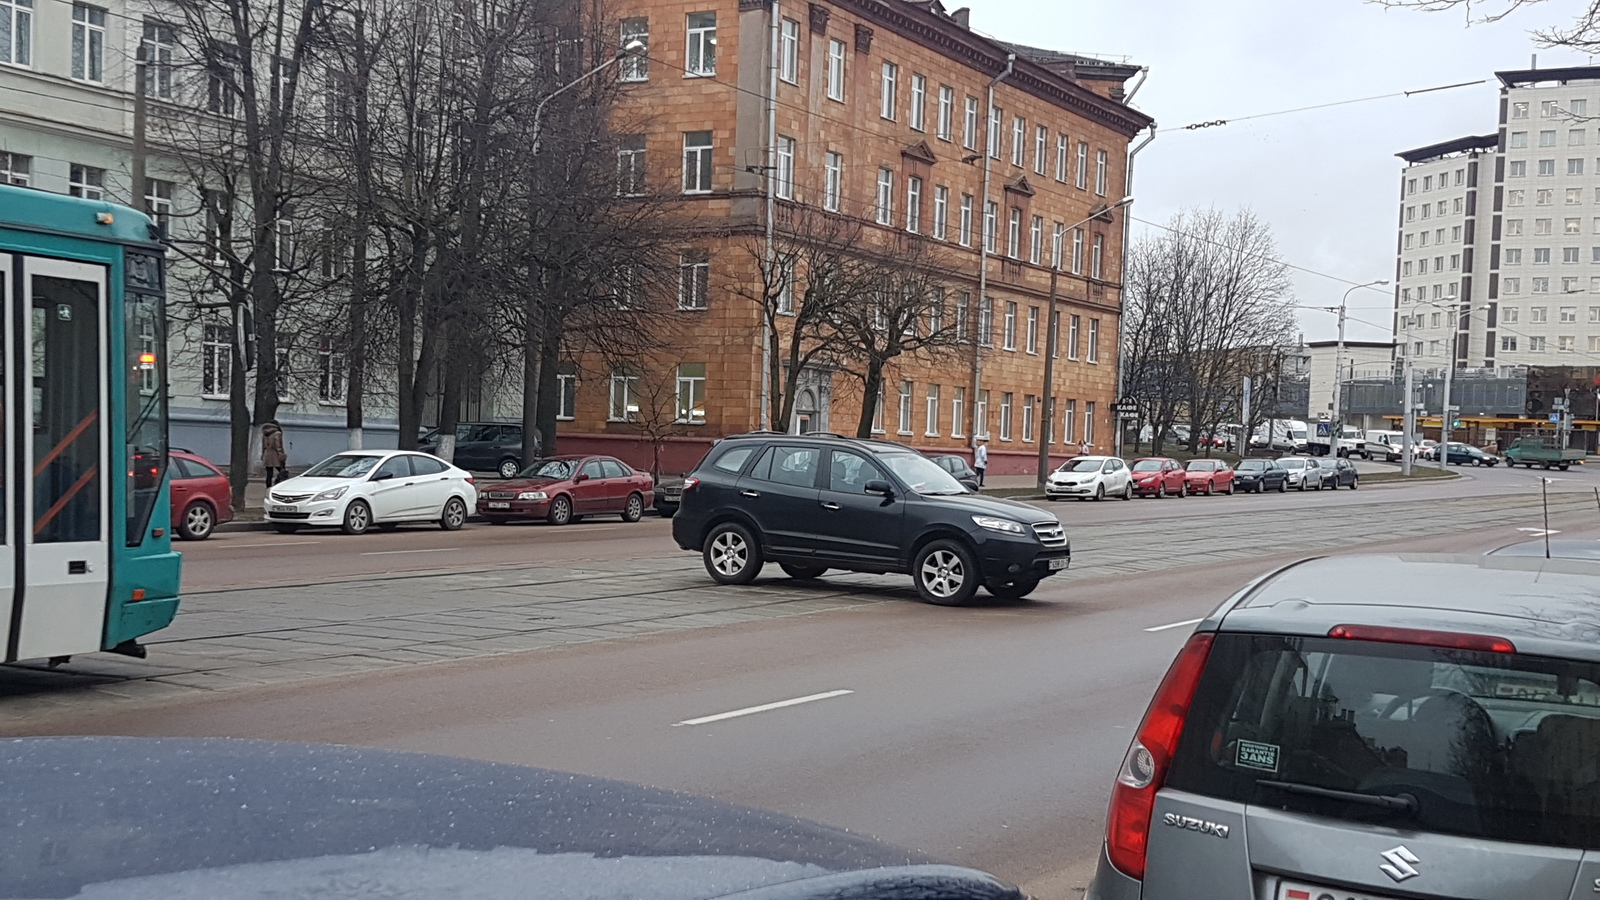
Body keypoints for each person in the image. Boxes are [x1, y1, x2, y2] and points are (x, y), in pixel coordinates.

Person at [261, 421, 287, 487]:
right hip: (275, 455)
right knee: (282, 471)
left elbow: (263, 446)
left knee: (269, 474)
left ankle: (268, 487)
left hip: (267, 455)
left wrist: (263, 454)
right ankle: (281, 485)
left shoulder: (265, 433)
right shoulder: (277, 433)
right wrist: (281, 454)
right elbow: (278, 445)